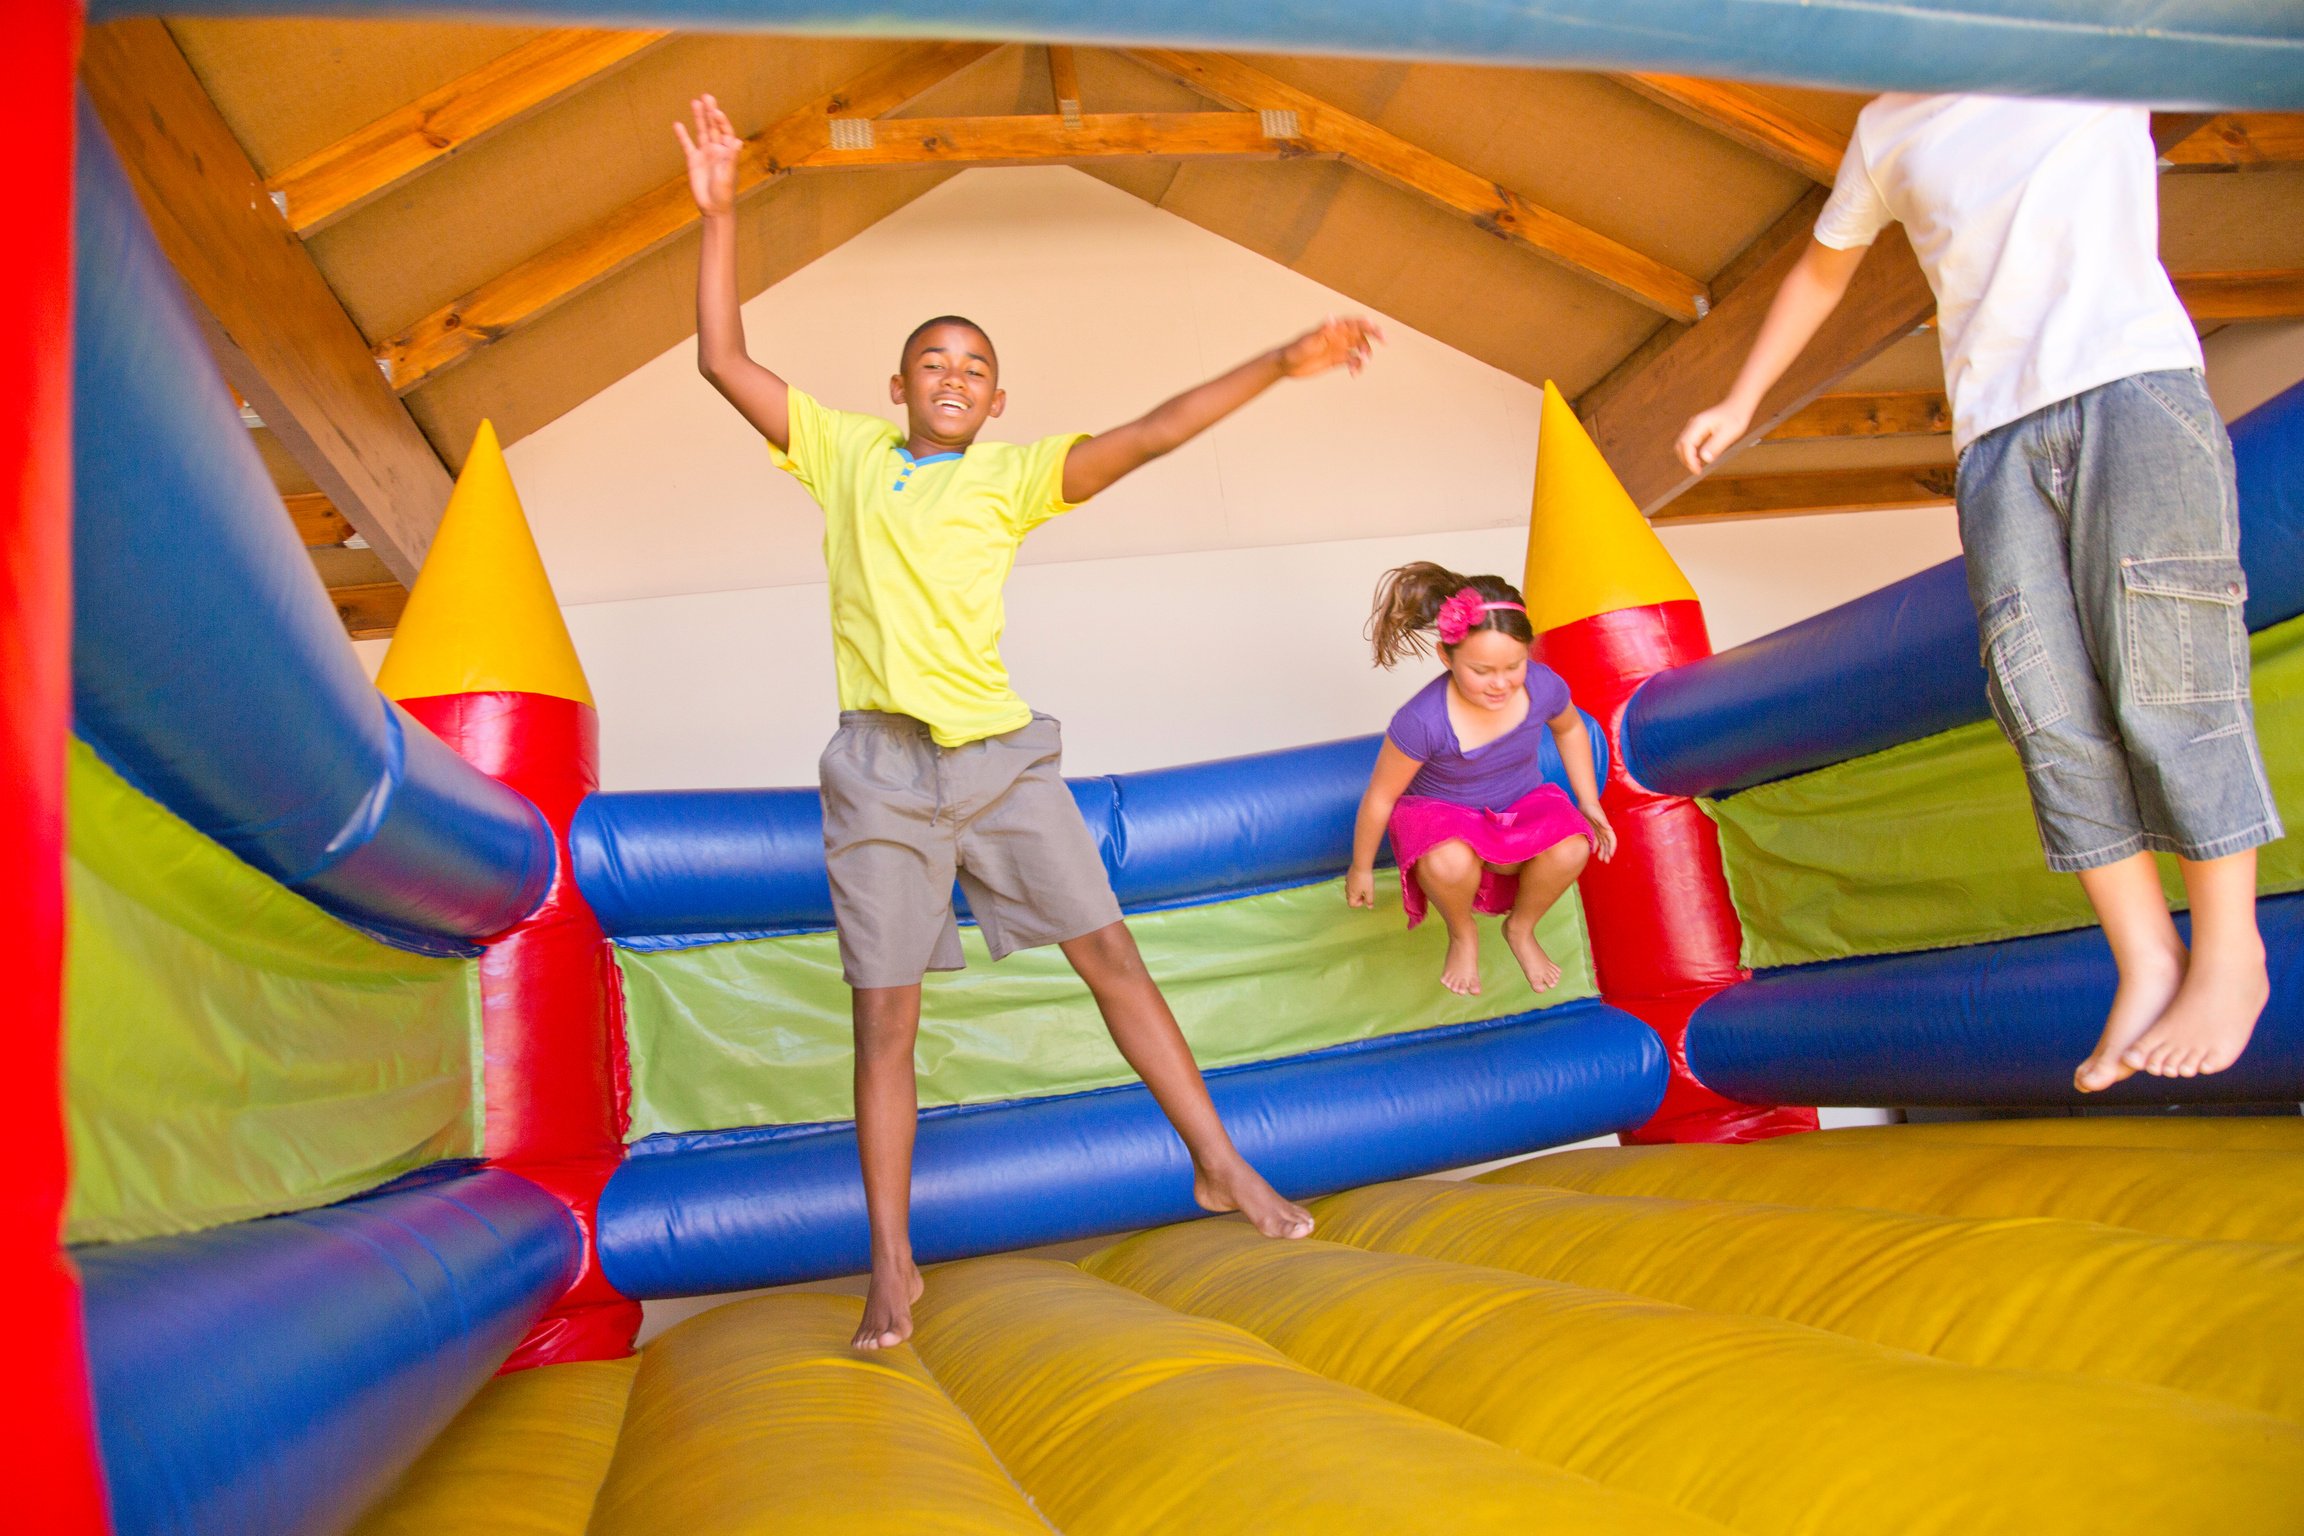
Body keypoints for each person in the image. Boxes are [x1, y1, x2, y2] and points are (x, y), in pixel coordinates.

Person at [677, 94, 1381, 1349]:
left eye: (975, 368)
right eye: (932, 364)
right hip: (881, 773)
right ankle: (890, 1264)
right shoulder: (842, 454)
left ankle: (1222, 1164)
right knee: (884, 1019)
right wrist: (720, 216)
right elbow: (722, 359)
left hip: (1001, 763)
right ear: (898, 388)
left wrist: (1280, 363)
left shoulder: (1013, 478)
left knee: (1112, 956)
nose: (953, 378)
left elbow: (1154, 436)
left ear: (998, 402)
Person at [1675, 96, 2279, 1093]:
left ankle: (2230, 954)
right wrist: (1744, 399)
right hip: (1995, 441)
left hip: (2129, 387)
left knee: (2168, 674)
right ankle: (2145, 959)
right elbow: (1821, 268)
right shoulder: (1887, 126)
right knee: (2043, 706)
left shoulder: (2079, 44)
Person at [1346, 563, 1616, 997]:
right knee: (1447, 861)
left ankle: (1521, 928)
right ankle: (1462, 933)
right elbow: (1380, 797)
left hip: (1519, 804)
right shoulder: (1422, 720)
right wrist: (1360, 867)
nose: (1500, 684)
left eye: (1514, 666)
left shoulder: (1542, 686)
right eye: (1481, 671)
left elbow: (1569, 729)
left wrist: (1589, 802)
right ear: (1445, 657)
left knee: (1574, 845)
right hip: (1446, 817)